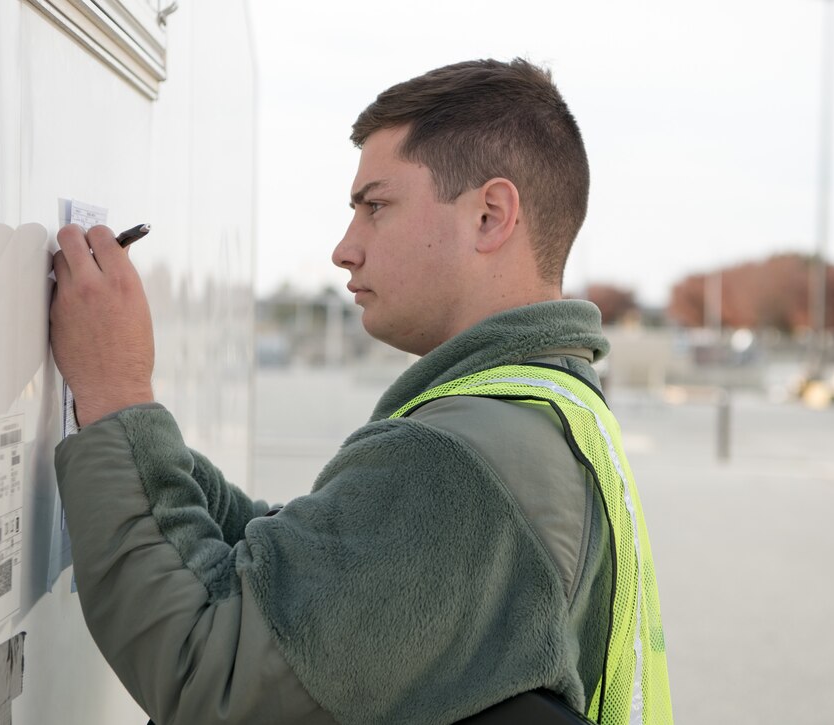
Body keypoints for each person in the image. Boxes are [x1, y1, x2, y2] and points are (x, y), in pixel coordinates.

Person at [49, 58, 673, 725]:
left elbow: (212, 668)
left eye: (375, 206)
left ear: (491, 215)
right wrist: (147, 447)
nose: (344, 249)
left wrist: (115, 391)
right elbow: (321, 562)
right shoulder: (552, 408)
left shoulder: (455, 460)